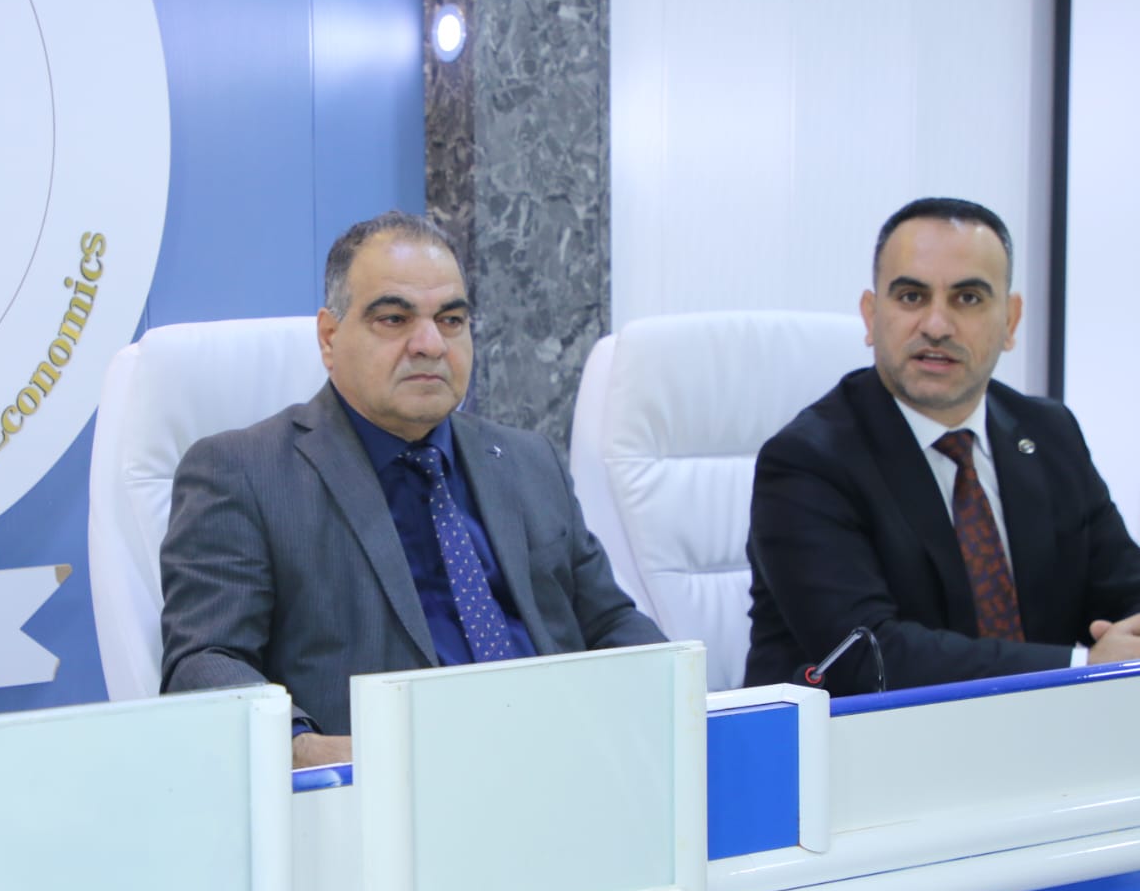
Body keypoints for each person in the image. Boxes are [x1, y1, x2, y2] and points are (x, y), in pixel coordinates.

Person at [160, 211, 665, 767]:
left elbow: (611, 623)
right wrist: (305, 747)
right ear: (330, 337)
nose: (430, 344)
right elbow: (204, 662)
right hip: (387, 789)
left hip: (564, 765)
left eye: (451, 320)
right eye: (394, 319)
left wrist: (679, 701)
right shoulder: (244, 472)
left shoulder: (528, 461)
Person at [745, 197, 1140, 695]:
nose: (936, 325)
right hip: (861, 738)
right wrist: (1081, 664)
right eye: (911, 296)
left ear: (1010, 321)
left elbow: (1124, 588)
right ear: (871, 315)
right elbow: (869, 658)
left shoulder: (1048, 432)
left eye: (967, 298)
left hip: (1046, 732)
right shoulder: (806, 463)